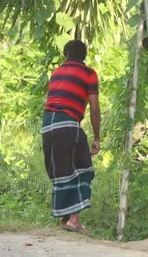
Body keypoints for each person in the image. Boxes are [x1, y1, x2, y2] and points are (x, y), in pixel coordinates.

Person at [41, 39, 101, 234]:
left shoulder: (56, 73)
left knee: (63, 170)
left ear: (66, 55)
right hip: (67, 122)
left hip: (47, 125)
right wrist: (97, 138)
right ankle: (74, 220)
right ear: (84, 56)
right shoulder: (89, 74)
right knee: (84, 168)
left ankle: (65, 219)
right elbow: (94, 108)